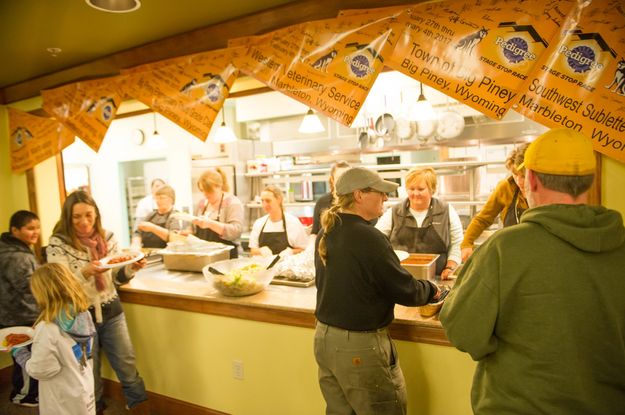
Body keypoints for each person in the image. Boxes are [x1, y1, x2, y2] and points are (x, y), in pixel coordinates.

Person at [440, 128, 625, 415]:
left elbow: (463, 331)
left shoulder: (503, 249)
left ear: (532, 180)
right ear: (590, 180)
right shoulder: (619, 243)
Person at [314, 167, 443, 415]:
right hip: (358, 346)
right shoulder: (368, 236)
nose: (385, 198)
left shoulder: (327, 230)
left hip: (324, 339)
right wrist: (432, 290)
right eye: (380, 192)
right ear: (359, 195)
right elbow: (405, 290)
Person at [46, 190, 149, 414]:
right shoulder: (58, 243)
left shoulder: (108, 238)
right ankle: (94, 409)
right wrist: (85, 272)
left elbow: (116, 279)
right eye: (77, 217)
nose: (84, 222)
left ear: (96, 215)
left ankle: (139, 407)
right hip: (79, 316)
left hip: (111, 310)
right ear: (67, 217)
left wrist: (131, 267)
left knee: (127, 364)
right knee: (87, 373)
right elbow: (60, 286)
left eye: (89, 215)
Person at [11, 263, 97, 415]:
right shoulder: (83, 313)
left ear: (41, 294)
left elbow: (42, 370)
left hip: (61, 398)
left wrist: (19, 352)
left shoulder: (47, 328)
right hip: (82, 384)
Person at [376, 167, 463, 280]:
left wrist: (450, 267)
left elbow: (457, 243)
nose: (415, 193)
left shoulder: (446, 210)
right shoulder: (394, 212)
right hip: (399, 278)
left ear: (432, 189)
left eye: (421, 189)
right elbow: (376, 239)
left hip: (436, 277)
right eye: (411, 189)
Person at [460, 143, 530, 262]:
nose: (519, 181)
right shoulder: (505, 187)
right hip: (510, 254)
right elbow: (482, 219)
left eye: (523, 176)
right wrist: (466, 243)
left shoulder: (545, 191)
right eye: (515, 175)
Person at [0, 210, 41, 407]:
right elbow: (28, 287)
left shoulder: (12, 248)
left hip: (13, 314)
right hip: (19, 315)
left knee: (24, 356)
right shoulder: (17, 256)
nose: (36, 232)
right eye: (30, 228)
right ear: (15, 230)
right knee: (26, 358)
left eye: (37, 227)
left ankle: (27, 392)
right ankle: (23, 395)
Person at [192, 168, 243, 258]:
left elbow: (236, 231)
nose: (205, 194)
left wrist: (210, 224)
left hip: (226, 258)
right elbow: (194, 230)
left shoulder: (232, 203)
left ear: (219, 186)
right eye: (202, 190)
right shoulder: (202, 204)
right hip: (204, 256)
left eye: (208, 191)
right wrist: (187, 232)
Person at [249, 185, 308, 256]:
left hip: (287, 266)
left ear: (279, 200)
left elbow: (304, 250)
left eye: (268, 201)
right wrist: (261, 251)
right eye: (262, 201)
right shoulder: (259, 223)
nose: (264, 205)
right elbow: (252, 251)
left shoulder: (293, 222)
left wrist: (291, 252)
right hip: (263, 266)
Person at [311, 161, 350, 236]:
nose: (344, 182)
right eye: (339, 178)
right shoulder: (322, 202)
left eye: (347, 178)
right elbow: (314, 233)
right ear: (332, 180)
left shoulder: (358, 202)